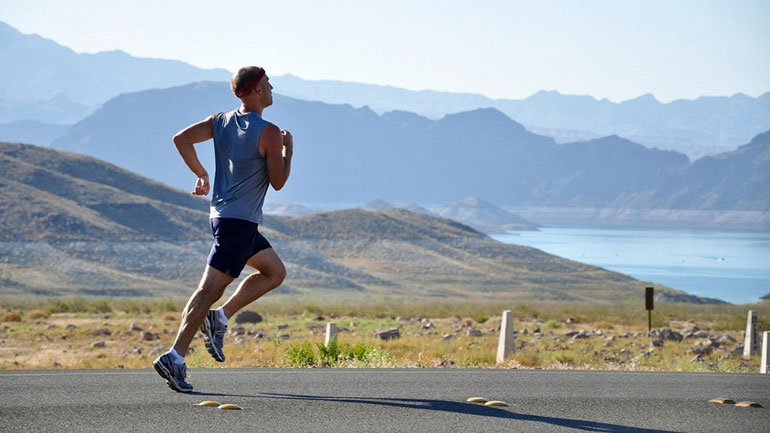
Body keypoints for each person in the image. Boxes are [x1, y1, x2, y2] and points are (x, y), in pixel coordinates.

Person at [153, 66, 293, 392]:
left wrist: (201, 173)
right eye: (268, 84)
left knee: (274, 272)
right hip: (239, 224)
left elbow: (181, 139)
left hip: (225, 218)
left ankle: (220, 317)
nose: (272, 89)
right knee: (207, 290)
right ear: (257, 89)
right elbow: (279, 182)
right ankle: (175, 356)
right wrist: (289, 151)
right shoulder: (269, 132)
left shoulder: (220, 120)